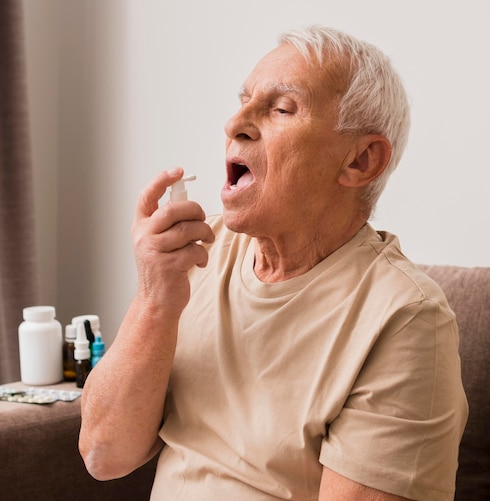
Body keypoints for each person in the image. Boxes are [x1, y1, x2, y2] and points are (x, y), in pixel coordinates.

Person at [79, 25, 468, 500]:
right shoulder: (199, 252)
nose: (234, 123)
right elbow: (104, 456)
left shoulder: (405, 319)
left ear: (361, 161)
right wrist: (154, 300)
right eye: (243, 100)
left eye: (282, 108)